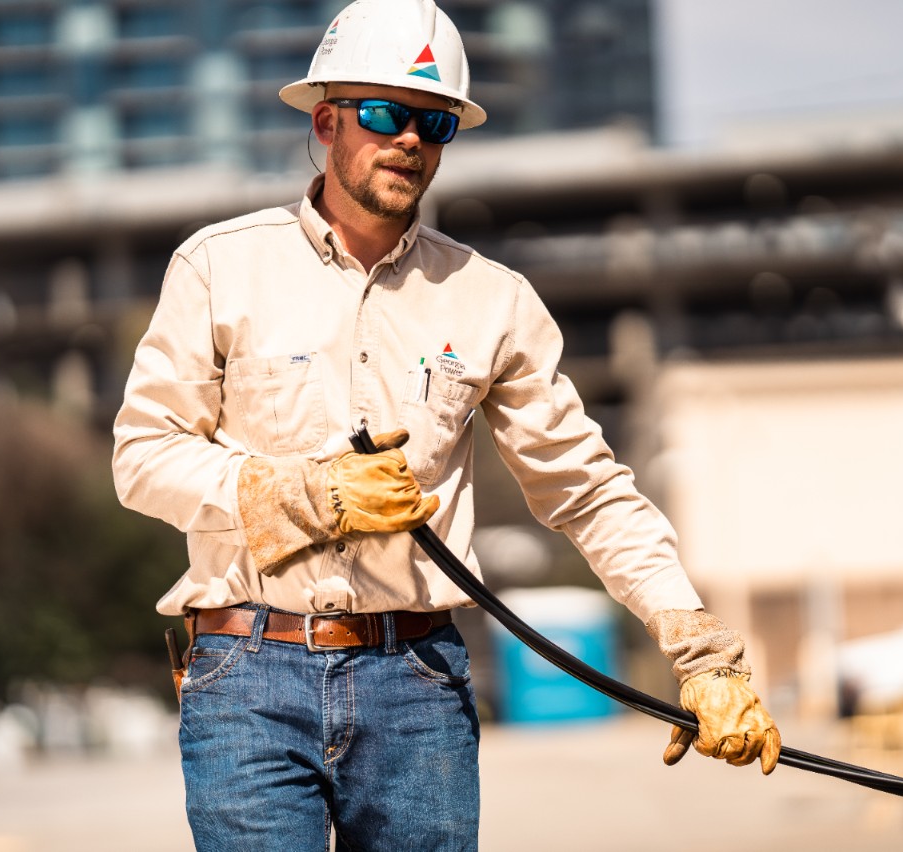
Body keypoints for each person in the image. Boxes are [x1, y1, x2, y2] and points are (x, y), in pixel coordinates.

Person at [112, 0, 780, 848]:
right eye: (386, 114)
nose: (410, 141)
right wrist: (301, 493)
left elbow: (585, 488)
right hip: (248, 673)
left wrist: (702, 653)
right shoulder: (219, 268)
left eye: (434, 123)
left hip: (415, 684)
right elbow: (142, 458)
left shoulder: (491, 302)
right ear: (326, 122)